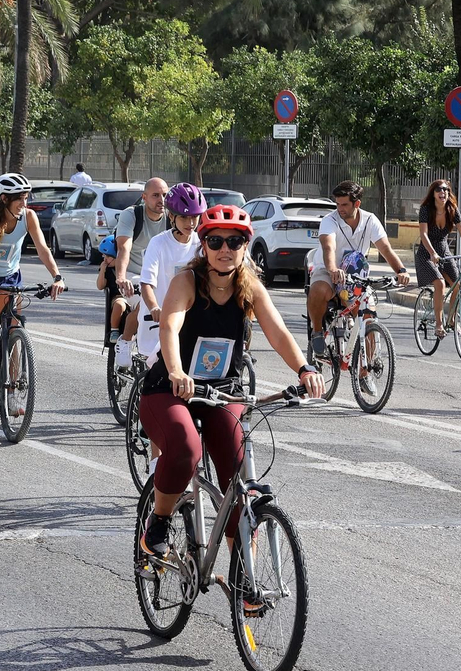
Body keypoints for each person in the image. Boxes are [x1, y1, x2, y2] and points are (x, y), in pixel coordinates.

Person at [138, 205, 323, 562]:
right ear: (203, 246)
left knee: (237, 483)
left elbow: (278, 332)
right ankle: (159, 521)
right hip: (169, 389)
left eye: (235, 241)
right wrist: (176, 371)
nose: (226, 249)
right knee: (186, 448)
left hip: (222, 391)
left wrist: (304, 369)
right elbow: (169, 326)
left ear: (245, 246)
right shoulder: (186, 282)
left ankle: (245, 578)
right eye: (216, 241)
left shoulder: (249, 286)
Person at [306, 180, 411, 384]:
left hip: (355, 273)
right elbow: (328, 247)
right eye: (338, 204)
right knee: (318, 289)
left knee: (368, 316)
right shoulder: (330, 220)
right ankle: (317, 332)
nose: (340, 209)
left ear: (357, 204)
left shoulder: (370, 221)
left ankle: (365, 371)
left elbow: (386, 249)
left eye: (344, 205)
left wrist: (401, 271)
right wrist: (332, 270)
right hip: (329, 269)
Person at [0, 173, 67, 371]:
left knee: (14, 329)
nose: (23, 203)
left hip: (10, 275)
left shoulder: (28, 217)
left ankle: (14, 387)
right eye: (19, 198)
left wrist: (57, 276)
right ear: (4, 199)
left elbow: (43, 249)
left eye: (25, 197)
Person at [135, 183, 207, 365]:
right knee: (156, 376)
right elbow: (146, 283)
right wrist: (154, 308)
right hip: (157, 322)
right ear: (172, 216)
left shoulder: (202, 245)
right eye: (184, 217)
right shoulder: (158, 243)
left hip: (189, 320)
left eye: (195, 217)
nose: (191, 223)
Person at [109, 179, 169, 349]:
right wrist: (121, 277)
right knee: (146, 304)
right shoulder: (132, 215)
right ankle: (125, 343)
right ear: (144, 197)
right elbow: (123, 248)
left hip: (161, 276)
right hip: (133, 274)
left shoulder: (173, 217)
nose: (162, 200)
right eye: (156, 195)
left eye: (165, 195)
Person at [414, 179, 461, 337]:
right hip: (426, 253)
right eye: (438, 190)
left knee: (458, 284)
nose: (443, 192)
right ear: (433, 194)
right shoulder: (426, 210)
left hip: (444, 251)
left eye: (445, 190)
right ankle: (439, 324)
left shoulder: (452, 209)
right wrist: (432, 253)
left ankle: (452, 319)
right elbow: (423, 235)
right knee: (440, 284)